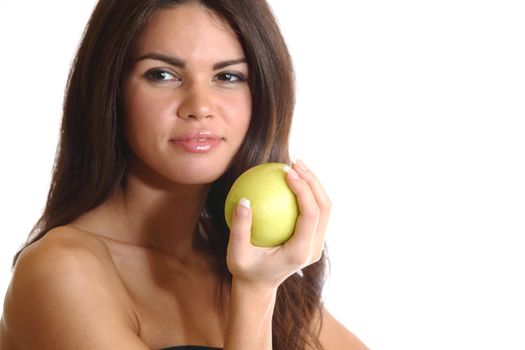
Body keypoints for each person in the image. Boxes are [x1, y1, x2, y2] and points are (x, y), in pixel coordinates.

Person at [0, 1, 367, 349]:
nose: (200, 107)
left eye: (227, 76)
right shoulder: (60, 272)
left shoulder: (238, 259)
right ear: (110, 90)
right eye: (162, 74)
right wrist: (254, 293)